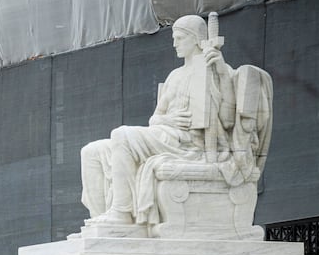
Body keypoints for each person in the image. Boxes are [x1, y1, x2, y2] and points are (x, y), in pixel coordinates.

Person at [80, 14, 236, 226]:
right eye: (174, 38)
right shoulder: (175, 76)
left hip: (189, 145)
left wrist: (223, 75)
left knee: (120, 135)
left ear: (196, 39)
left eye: (179, 38)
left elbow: (228, 121)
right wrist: (169, 120)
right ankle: (101, 221)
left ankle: (122, 212)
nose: (174, 44)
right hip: (165, 135)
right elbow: (155, 118)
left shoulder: (218, 70)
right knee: (91, 151)